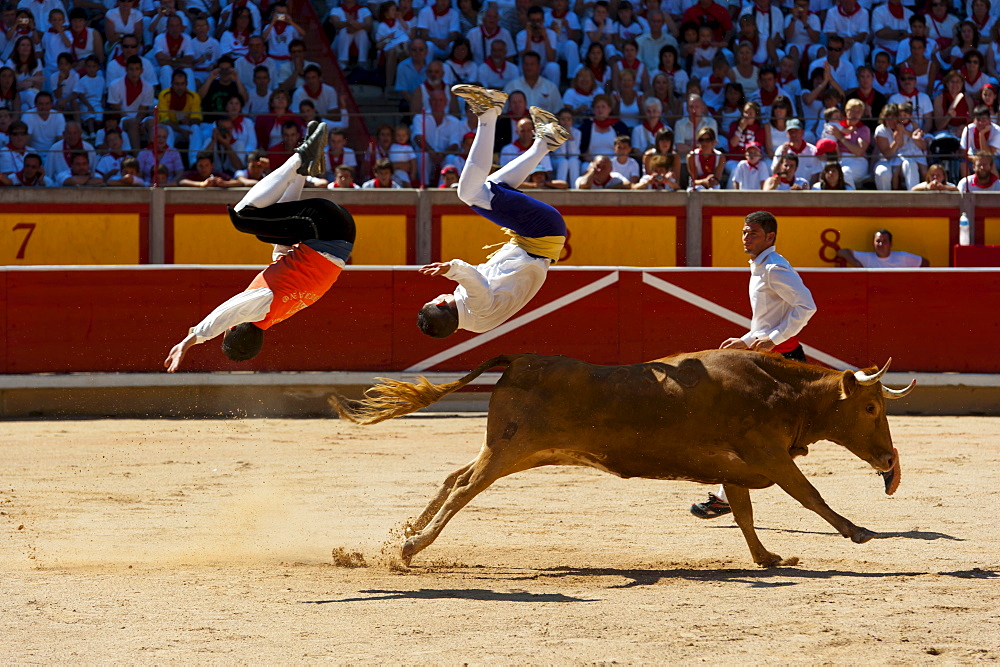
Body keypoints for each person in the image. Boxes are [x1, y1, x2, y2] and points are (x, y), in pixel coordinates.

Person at [165, 122, 355, 372]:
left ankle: (302, 164)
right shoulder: (260, 308)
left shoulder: (278, 310)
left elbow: (284, 244)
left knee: (265, 232)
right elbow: (226, 312)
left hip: (333, 234)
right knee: (243, 217)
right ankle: (300, 157)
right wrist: (190, 340)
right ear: (234, 327)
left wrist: (299, 178)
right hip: (325, 228)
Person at [416, 84, 570, 338]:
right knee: (469, 193)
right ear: (441, 303)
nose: (439, 297)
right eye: (435, 299)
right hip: (539, 233)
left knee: (492, 187)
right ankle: (488, 113)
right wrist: (450, 269)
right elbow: (474, 281)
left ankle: (545, 142)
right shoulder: (474, 305)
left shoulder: (477, 323)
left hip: (541, 239)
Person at [690, 210, 817, 519]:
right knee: (751, 430)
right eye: (745, 232)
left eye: (753, 233)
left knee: (778, 432)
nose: (746, 238)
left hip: (783, 363)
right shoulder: (762, 268)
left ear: (770, 237)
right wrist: (746, 342)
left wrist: (773, 339)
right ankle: (725, 495)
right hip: (770, 359)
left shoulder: (775, 269)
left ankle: (883, 461)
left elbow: (807, 306)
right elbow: (765, 321)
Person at [837, 229, 929, 268]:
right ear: (873, 244)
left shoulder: (902, 257)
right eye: (878, 241)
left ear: (890, 244)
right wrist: (857, 264)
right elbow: (842, 252)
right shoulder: (867, 258)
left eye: (885, 241)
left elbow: (925, 263)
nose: (881, 244)